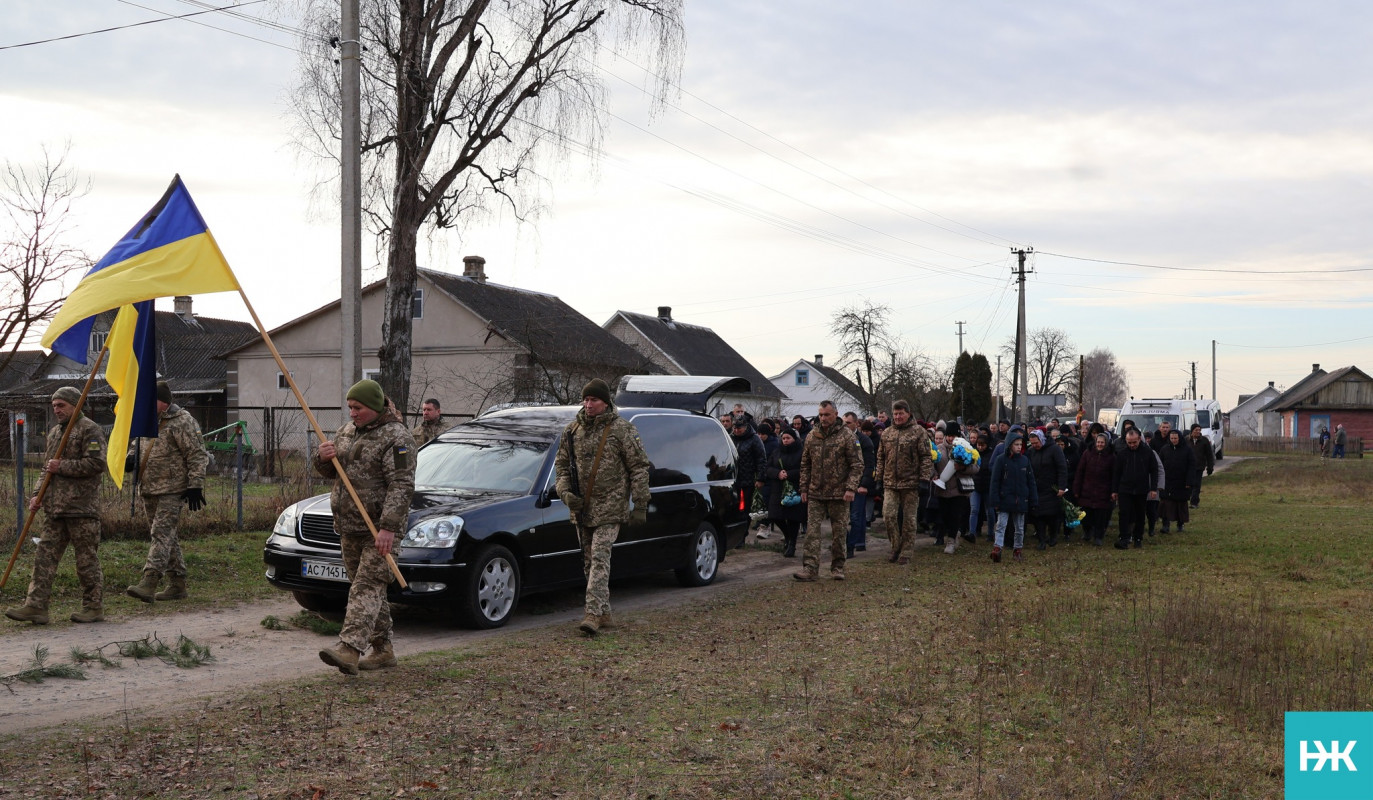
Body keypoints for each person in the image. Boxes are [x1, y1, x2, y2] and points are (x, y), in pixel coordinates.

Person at [314, 379, 416, 674]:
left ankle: (349, 649)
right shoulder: (346, 431)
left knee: (365, 587)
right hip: (348, 525)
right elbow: (331, 472)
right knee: (372, 592)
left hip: (379, 530)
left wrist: (388, 528)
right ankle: (383, 650)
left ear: (373, 406)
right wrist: (323, 459)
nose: (352, 413)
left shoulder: (397, 438)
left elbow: (402, 485)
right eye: (350, 407)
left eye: (357, 408)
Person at [554, 379, 651, 635]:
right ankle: (605, 612)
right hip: (582, 509)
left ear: (605, 402)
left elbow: (639, 468)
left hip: (611, 507)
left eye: (593, 400)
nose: (588, 404)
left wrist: (640, 504)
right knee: (588, 562)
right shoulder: (572, 431)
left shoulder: (622, 430)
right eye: (585, 400)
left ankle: (592, 614)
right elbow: (561, 466)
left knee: (599, 557)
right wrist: (565, 493)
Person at [5, 387, 108, 625]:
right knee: (44, 558)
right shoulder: (54, 433)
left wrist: (61, 466)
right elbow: (46, 468)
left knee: (86, 560)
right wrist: (36, 494)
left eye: (61, 405)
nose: (56, 409)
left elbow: (96, 463)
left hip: (81, 509)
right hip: (54, 509)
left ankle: (93, 607)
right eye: (54, 405)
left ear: (75, 405)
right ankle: (36, 606)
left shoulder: (90, 430)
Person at [125, 381, 209, 604]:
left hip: (173, 489)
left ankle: (149, 582)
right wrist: (130, 459)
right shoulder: (146, 421)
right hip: (149, 487)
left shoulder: (182, 421)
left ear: (163, 402)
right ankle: (177, 584)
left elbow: (197, 454)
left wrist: (195, 485)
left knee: (160, 533)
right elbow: (137, 445)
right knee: (166, 536)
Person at [794, 401, 862, 582]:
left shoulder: (847, 436)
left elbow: (857, 465)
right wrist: (803, 487)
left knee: (839, 532)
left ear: (836, 414)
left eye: (827, 415)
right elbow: (805, 464)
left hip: (839, 493)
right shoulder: (811, 436)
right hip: (816, 492)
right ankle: (810, 568)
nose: (823, 418)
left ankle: (838, 567)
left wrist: (850, 488)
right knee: (812, 532)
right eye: (821, 414)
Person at [873, 400, 932, 566]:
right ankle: (895, 546)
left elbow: (926, 457)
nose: (898, 417)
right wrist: (878, 478)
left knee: (909, 520)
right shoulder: (887, 433)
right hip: (890, 482)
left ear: (908, 413)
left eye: (901, 413)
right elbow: (881, 457)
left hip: (911, 483)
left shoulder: (918, 432)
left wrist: (924, 479)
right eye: (896, 414)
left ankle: (906, 551)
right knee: (889, 516)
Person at [987, 433, 1035, 563]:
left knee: (1019, 528)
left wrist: (1033, 499)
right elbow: (995, 481)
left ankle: (1017, 549)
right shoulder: (1001, 460)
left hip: (1020, 499)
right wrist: (995, 500)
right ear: (1009, 445)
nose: (1019, 447)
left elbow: (1031, 481)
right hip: (1004, 499)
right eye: (1016, 444)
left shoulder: (1025, 460)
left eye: (1021, 445)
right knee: (1001, 525)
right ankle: (997, 548)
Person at [934, 423, 978, 554]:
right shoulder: (938, 449)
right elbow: (931, 463)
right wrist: (933, 474)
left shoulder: (966, 449)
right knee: (944, 516)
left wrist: (963, 468)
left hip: (959, 490)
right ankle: (954, 533)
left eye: (954, 436)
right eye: (949, 435)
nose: (951, 438)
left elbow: (976, 467)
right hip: (942, 489)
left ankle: (951, 541)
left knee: (955, 516)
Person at [1111, 429, 1158, 550]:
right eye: (1129, 443)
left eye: (1134, 442)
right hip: (1125, 489)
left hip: (1141, 489)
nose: (1132, 445)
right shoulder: (1122, 454)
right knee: (1124, 513)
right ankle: (1124, 538)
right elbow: (1116, 473)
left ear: (1139, 440)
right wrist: (1114, 490)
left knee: (1140, 514)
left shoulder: (1147, 452)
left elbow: (1154, 471)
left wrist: (1153, 488)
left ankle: (1138, 538)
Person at [764, 429, 806, 557]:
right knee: (775, 516)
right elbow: (768, 468)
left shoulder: (802, 452)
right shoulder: (777, 451)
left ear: (794, 439)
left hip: (794, 488)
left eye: (788, 438)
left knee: (793, 518)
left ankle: (792, 544)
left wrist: (790, 474)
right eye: (784, 438)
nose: (786, 440)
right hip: (778, 488)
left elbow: (805, 469)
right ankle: (787, 536)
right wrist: (777, 473)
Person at [1026, 430, 1068, 549]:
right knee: (1038, 516)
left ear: (1042, 439)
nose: (1035, 445)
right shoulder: (1031, 452)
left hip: (1051, 488)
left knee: (1052, 515)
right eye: (1032, 443)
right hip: (1037, 489)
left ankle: (1053, 536)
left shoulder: (1054, 449)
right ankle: (1041, 540)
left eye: (1036, 443)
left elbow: (1062, 468)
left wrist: (1061, 487)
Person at [1072, 433, 1116, 546]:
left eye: (1102, 442)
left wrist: (1113, 491)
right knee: (1086, 515)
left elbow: (1114, 475)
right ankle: (1087, 532)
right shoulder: (1087, 454)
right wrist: (1076, 489)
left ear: (1106, 443)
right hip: (1087, 489)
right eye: (1098, 442)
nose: (1100, 444)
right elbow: (1080, 472)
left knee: (1101, 517)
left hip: (1103, 491)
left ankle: (1098, 536)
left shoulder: (1111, 456)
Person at [842, 412, 876, 557]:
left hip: (858, 483)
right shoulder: (839, 439)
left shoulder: (864, 441)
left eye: (848, 423)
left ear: (856, 424)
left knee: (856, 516)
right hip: (843, 483)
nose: (845, 426)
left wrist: (864, 484)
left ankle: (851, 545)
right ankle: (855, 541)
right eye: (843, 423)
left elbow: (869, 465)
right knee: (844, 516)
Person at [730, 417, 766, 536]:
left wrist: (760, 478)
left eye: (739, 428)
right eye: (734, 428)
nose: (736, 430)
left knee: (745, 508)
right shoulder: (731, 438)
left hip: (748, 479)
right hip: (733, 479)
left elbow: (761, 459)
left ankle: (743, 534)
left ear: (745, 427)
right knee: (734, 507)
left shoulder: (754, 439)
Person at [1157, 429, 1195, 533]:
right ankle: (1165, 525)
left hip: (1182, 482)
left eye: (1175, 438)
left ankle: (1180, 524)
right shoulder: (1164, 449)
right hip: (1167, 481)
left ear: (1179, 438)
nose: (1173, 440)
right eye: (1172, 438)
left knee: (1181, 504)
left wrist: (1189, 481)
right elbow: (1159, 466)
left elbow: (1192, 466)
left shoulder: (1187, 450)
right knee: (1165, 504)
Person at [1186, 423, 1215, 508]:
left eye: (1199, 430)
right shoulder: (1186, 440)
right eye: (1196, 430)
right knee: (1189, 484)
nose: (1198, 432)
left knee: (1196, 484)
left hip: (1199, 466)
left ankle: (1194, 502)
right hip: (1188, 467)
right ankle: (1187, 499)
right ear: (1192, 431)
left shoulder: (1204, 440)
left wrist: (1210, 467)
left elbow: (1209, 455)